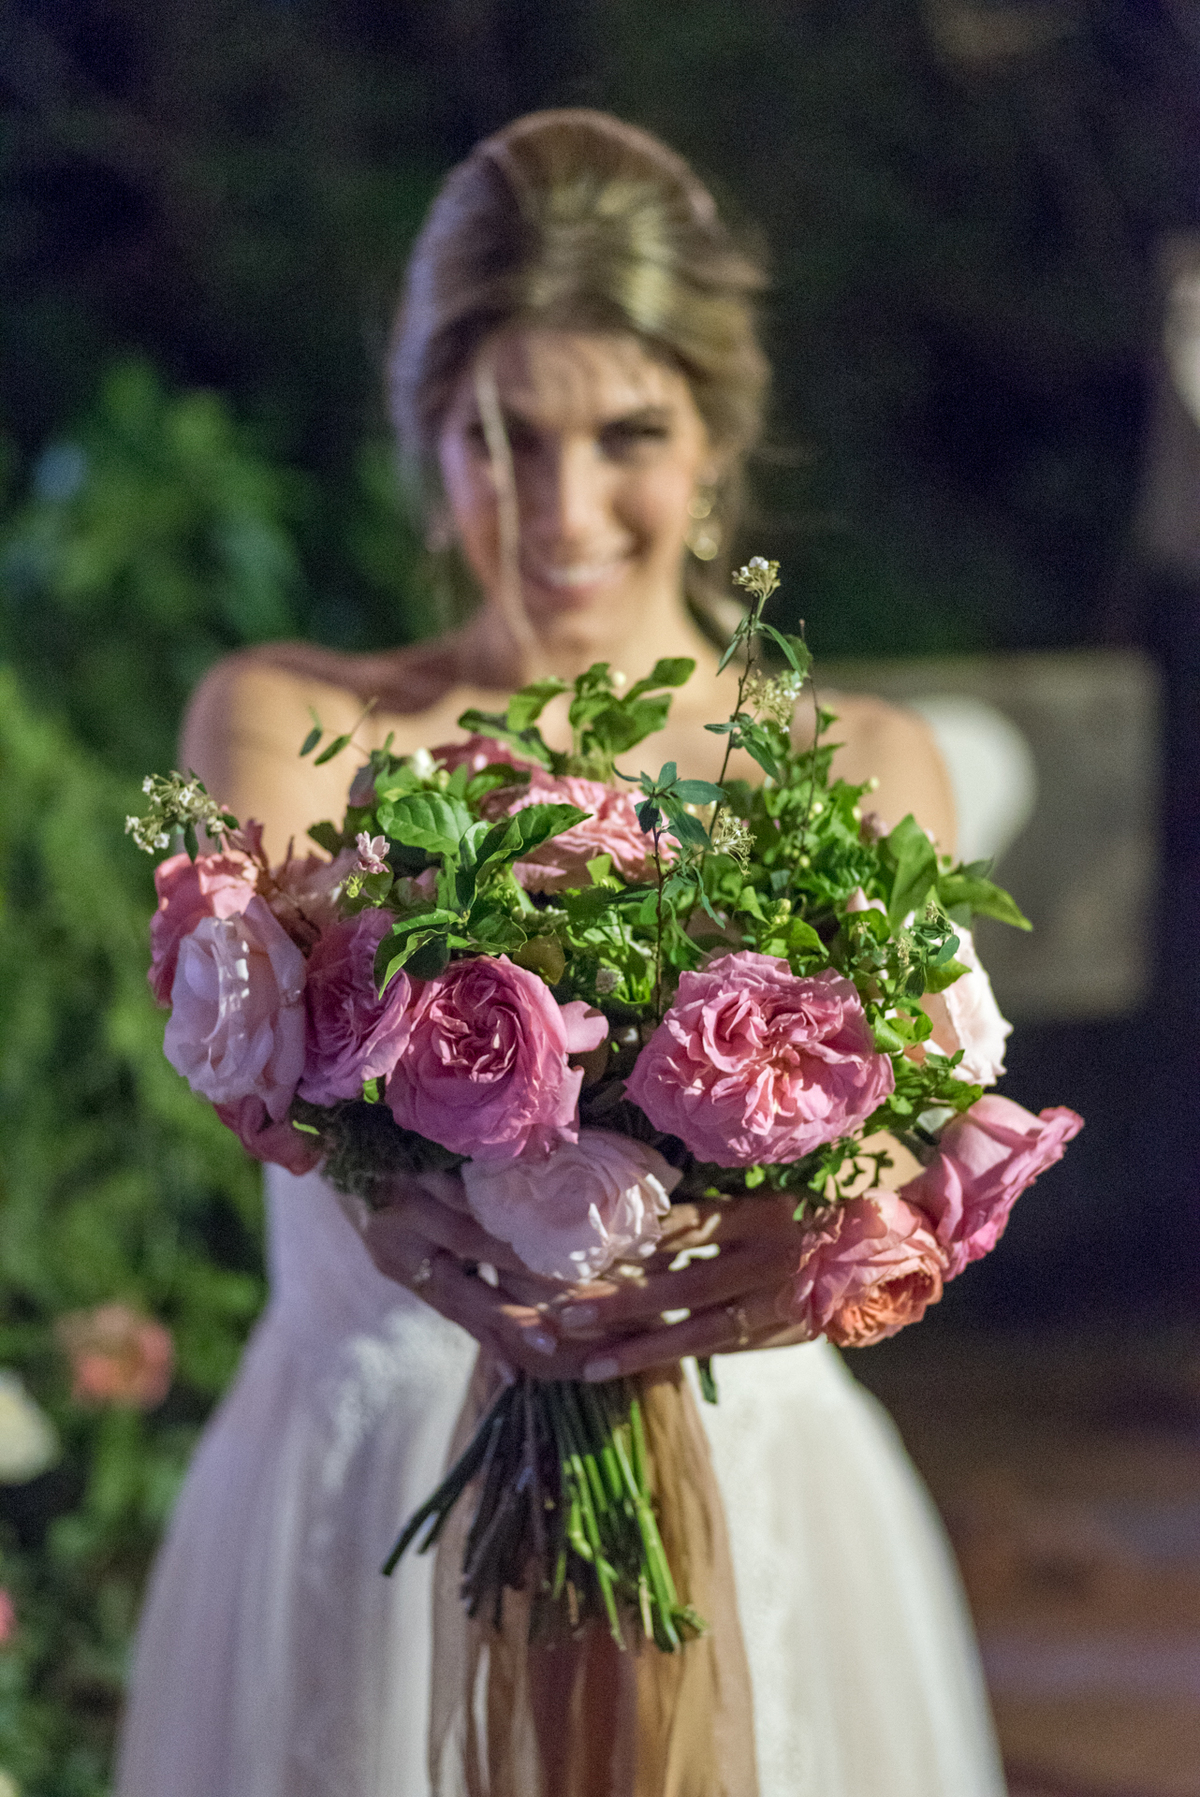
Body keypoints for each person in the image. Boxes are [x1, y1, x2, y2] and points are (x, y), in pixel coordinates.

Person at [116, 110, 1005, 1796]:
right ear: (425, 431)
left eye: (628, 431)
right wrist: (394, 1191)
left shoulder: (860, 762)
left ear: (717, 439)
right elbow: (268, 1070)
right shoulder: (286, 719)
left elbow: (913, 1136)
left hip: (753, 1490)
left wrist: (821, 1236)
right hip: (368, 1480)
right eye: (500, 435)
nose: (564, 502)